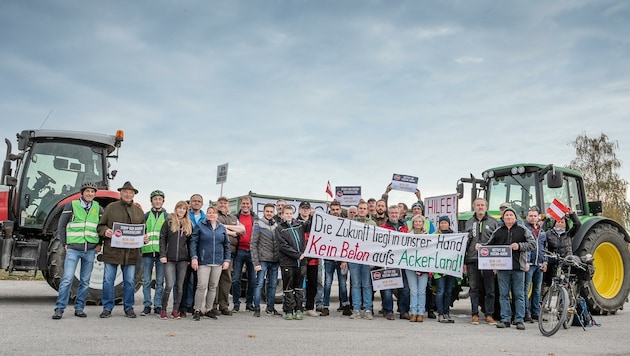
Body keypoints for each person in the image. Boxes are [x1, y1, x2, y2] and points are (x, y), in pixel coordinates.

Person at [52, 181, 103, 320]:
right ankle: (59, 308)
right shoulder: (72, 205)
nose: (90, 194)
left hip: (91, 249)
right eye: (87, 191)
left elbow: (101, 227)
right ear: (82, 192)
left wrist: (100, 243)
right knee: (67, 279)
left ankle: (79, 308)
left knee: (85, 281)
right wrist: (64, 243)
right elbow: (61, 225)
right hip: (74, 249)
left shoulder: (98, 208)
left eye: (92, 192)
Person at [480, 207, 536, 330]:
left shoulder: (523, 230)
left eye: (511, 215)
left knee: (519, 294)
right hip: (503, 268)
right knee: (503, 294)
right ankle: (505, 318)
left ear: (515, 217)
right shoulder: (498, 231)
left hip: (518, 267)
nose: (508, 217)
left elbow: (533, 244)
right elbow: (489, 246)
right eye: (506, 215)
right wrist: (481, 247)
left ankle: (519, 319)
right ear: (503, 218)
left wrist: (520, 246)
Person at [97, 181, 145, 318]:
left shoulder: (138, 211)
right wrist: (105, 231)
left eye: (131, 192)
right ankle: (107, 307)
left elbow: (142, 230)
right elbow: (100, 226)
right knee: (108, 280)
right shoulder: (111, 208)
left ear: (133, 194)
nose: (128, 194)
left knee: (130, 281)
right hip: (112, 251)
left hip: (130, 254)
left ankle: (129, 307)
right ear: (121, 193)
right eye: (125, 192)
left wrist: (144, 237)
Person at [190, 206, 231, 321]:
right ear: (206, 214)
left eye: (213, 213)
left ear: (217, 215)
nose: (211, 214)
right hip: (203, 261)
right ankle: (197, 309)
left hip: (218, 262)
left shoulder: (221, 228)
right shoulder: (200, 226)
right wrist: (194, 257)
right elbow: (193, 243)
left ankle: (208, 309)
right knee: (202, 285)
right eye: (209, 212)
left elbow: (226, 245)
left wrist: (226, 260)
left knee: (213, 286)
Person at [463, 197, 499, 325]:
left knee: (490, 288)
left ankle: (489, 315)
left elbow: (497, 243)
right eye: (477, 205)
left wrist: (496, 263)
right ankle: (474, 314)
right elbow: (464, 243)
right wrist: (463, 262)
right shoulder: (468, 222)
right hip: (472, 259)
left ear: (486, 207)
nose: (480, 207)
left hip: (489, 260)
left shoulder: (494, 222)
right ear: (474, 207)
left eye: (482, 205)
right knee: (474, 288)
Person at [159, 200, 192, 320]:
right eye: (179, 208)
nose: (181, 210)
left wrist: (189, 258)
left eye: (184, 209)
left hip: (183, 260)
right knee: (169, 285)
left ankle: (175, 310)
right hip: (169, 258)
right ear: (176, 209)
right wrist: (162, 254)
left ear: (186, 211)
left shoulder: (189, 224)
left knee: (180, 286)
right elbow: (162, 238)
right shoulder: (168, 222)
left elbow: (190, 243)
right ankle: (163, 309)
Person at [276, 205, 309, 320]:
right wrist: (297, 255)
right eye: (286, 213)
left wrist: (314, 216)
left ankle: (299, 309)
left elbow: (311, 226)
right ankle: (288, 310)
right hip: (287, 262)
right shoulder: (280, 228)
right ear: (282, 214)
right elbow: (283, 246)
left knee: (299, 287)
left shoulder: (299, 225)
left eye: (290, 213)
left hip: (301, 263)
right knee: (288, 287)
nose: (289, 215)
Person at [214, 196, 245, 315]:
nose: (223, 204)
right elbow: (215, 227)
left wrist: (226, 227)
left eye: (225, 203)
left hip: (229, 254)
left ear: (228, 205)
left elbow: (242, 229)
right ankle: (213, 306)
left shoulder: (233, 217)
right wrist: (232, 232)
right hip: (216, 252)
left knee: (226, 280)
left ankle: (224, 305)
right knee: (215, 280)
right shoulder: (215, 215)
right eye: (221, 203)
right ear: (218, 204)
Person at [250, 203, 281, 317]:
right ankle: (257, 308)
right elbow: (253, 244)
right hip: (262, 260)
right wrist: (256, 262)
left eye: (271, 212)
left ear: (274, 213)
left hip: (274, 261)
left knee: (272, 285)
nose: (269, 213)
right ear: (264, 212)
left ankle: (270, 308)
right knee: (259, 284)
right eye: (267, 211)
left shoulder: (276, 225)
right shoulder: (258, 224)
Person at [380, 205, 410, 320]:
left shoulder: (404, 228)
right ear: (388, 214)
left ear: (399, 214)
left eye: (396, 213)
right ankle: (388, 311)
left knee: (405, 288)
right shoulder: (382, 228)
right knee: (388, 288)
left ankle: (404, 311)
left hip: (402, 263)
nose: (394, 215)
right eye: (391, 213)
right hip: (388, 263)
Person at [322, 200, 351, 316]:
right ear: (330, 210)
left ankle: (345, 305)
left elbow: (348, 242)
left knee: (343, 283)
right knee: (328, 283)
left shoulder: (345, 223)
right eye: (333, 210)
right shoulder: (325, 223)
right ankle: (325, 306)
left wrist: (344, 259)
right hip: (329, 258)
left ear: (340, 210)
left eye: (337, 209)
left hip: (341, 259)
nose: (335, 212)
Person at [348, 200, 376, 320]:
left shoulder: (373, 224)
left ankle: (368, 309)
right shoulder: (350, 223)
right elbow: (346, 241)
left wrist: (373, 260)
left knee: (367, 285)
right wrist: (344, 259)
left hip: (367, 258)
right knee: (355, 284)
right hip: (353, 258)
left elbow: (375, 242)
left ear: (367, 210)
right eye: (361, 208)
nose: (362, 210)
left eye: (364, 208)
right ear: (357, 210)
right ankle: (356, 310)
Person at [141, 190, 167, 316]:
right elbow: (140, 232)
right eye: (155, 199)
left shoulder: (167, 217)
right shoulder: (145, 216)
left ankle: (158, 305)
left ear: (163, 201)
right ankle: (147, 305)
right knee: (146, 280)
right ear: (151, 201)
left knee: (159, 281)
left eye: (160, 199)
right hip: (147, 252)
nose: (157, 201)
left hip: (161, 253)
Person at [179, 193, 205, 317]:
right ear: (190, 203)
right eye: (194, 201)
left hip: (200, 254)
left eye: (199, 201)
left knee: (196, 282)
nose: (196, 203)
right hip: (185, 253)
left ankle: (194, 306)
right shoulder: (184, 216)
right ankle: (182, 307)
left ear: (202, 204)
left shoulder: (205, 218)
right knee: (184, 281)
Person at [232, 196, 258, 312]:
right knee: (236, 278)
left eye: (247, 203)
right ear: (240, 204)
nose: (245, 205)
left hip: (252, 251)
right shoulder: (235, 218)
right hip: (239, 251)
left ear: (251, 205)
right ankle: (236, 303)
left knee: (252, 279)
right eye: (243, 203)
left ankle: (249, 303)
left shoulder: (255, 218)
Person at [544, 209, 581, 287]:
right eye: (558, 222)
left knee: (567, 285)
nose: (560, 224)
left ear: (565, 224)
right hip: (554, 264)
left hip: (567, 263)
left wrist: (571, 214)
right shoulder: (548, 234)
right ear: (554, 223)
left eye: (562, 222)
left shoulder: (568, 234)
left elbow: (577, 224)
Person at [523, 206, 547, 323]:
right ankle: (526, 314)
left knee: (537, 290)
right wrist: (526, 261)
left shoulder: (542, 232)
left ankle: (535, 313)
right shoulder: (524, 229)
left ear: (538, 217)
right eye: (530, 216)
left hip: (539, 264)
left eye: (534, 216)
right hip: (529, 264)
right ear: (527, 217)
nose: (533, 218)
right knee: (526, 290)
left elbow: (545, 248)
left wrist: (545, 261)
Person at [298, 201, 320, 317]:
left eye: (307, 208)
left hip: (313, 258)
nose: (305, 210)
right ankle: (298, 306)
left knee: (312, 283)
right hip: (299, 257)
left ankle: (310, 307)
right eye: (303, 208)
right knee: (298, 283)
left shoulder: (316, 222)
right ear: (299, 210)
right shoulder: (295, 222)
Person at [405, 214, 429, 323]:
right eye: (416, 222)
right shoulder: (407, 235)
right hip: (410, 266)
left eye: (420, 222)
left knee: (421, 291)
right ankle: (413, 312)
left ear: (423, 224)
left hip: (423, 266)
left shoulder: (428, 236)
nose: (418, 223)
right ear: (413, 223)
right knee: (413, 291)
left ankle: (421, 313)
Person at [434, 216, 457, 324]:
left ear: (449, 224)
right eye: (441, 223)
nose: (443, 224)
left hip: (451, 268)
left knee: (448, 292)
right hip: (439, 269)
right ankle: (440, 313)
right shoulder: (434, 236)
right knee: (440, 291)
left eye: (445, 222)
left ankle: (447, 312)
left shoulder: (455, 236)